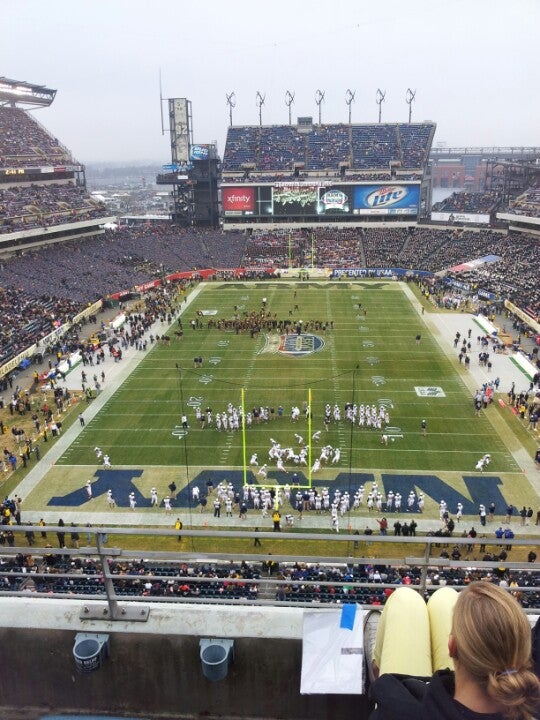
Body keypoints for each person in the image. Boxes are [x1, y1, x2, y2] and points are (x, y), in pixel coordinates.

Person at [368, 582, 540, 720]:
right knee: (445, 596)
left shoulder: (392, 710)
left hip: (418, 696)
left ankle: (375, 664)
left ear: (451, 646)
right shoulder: (528, 708)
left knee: (406, 598)